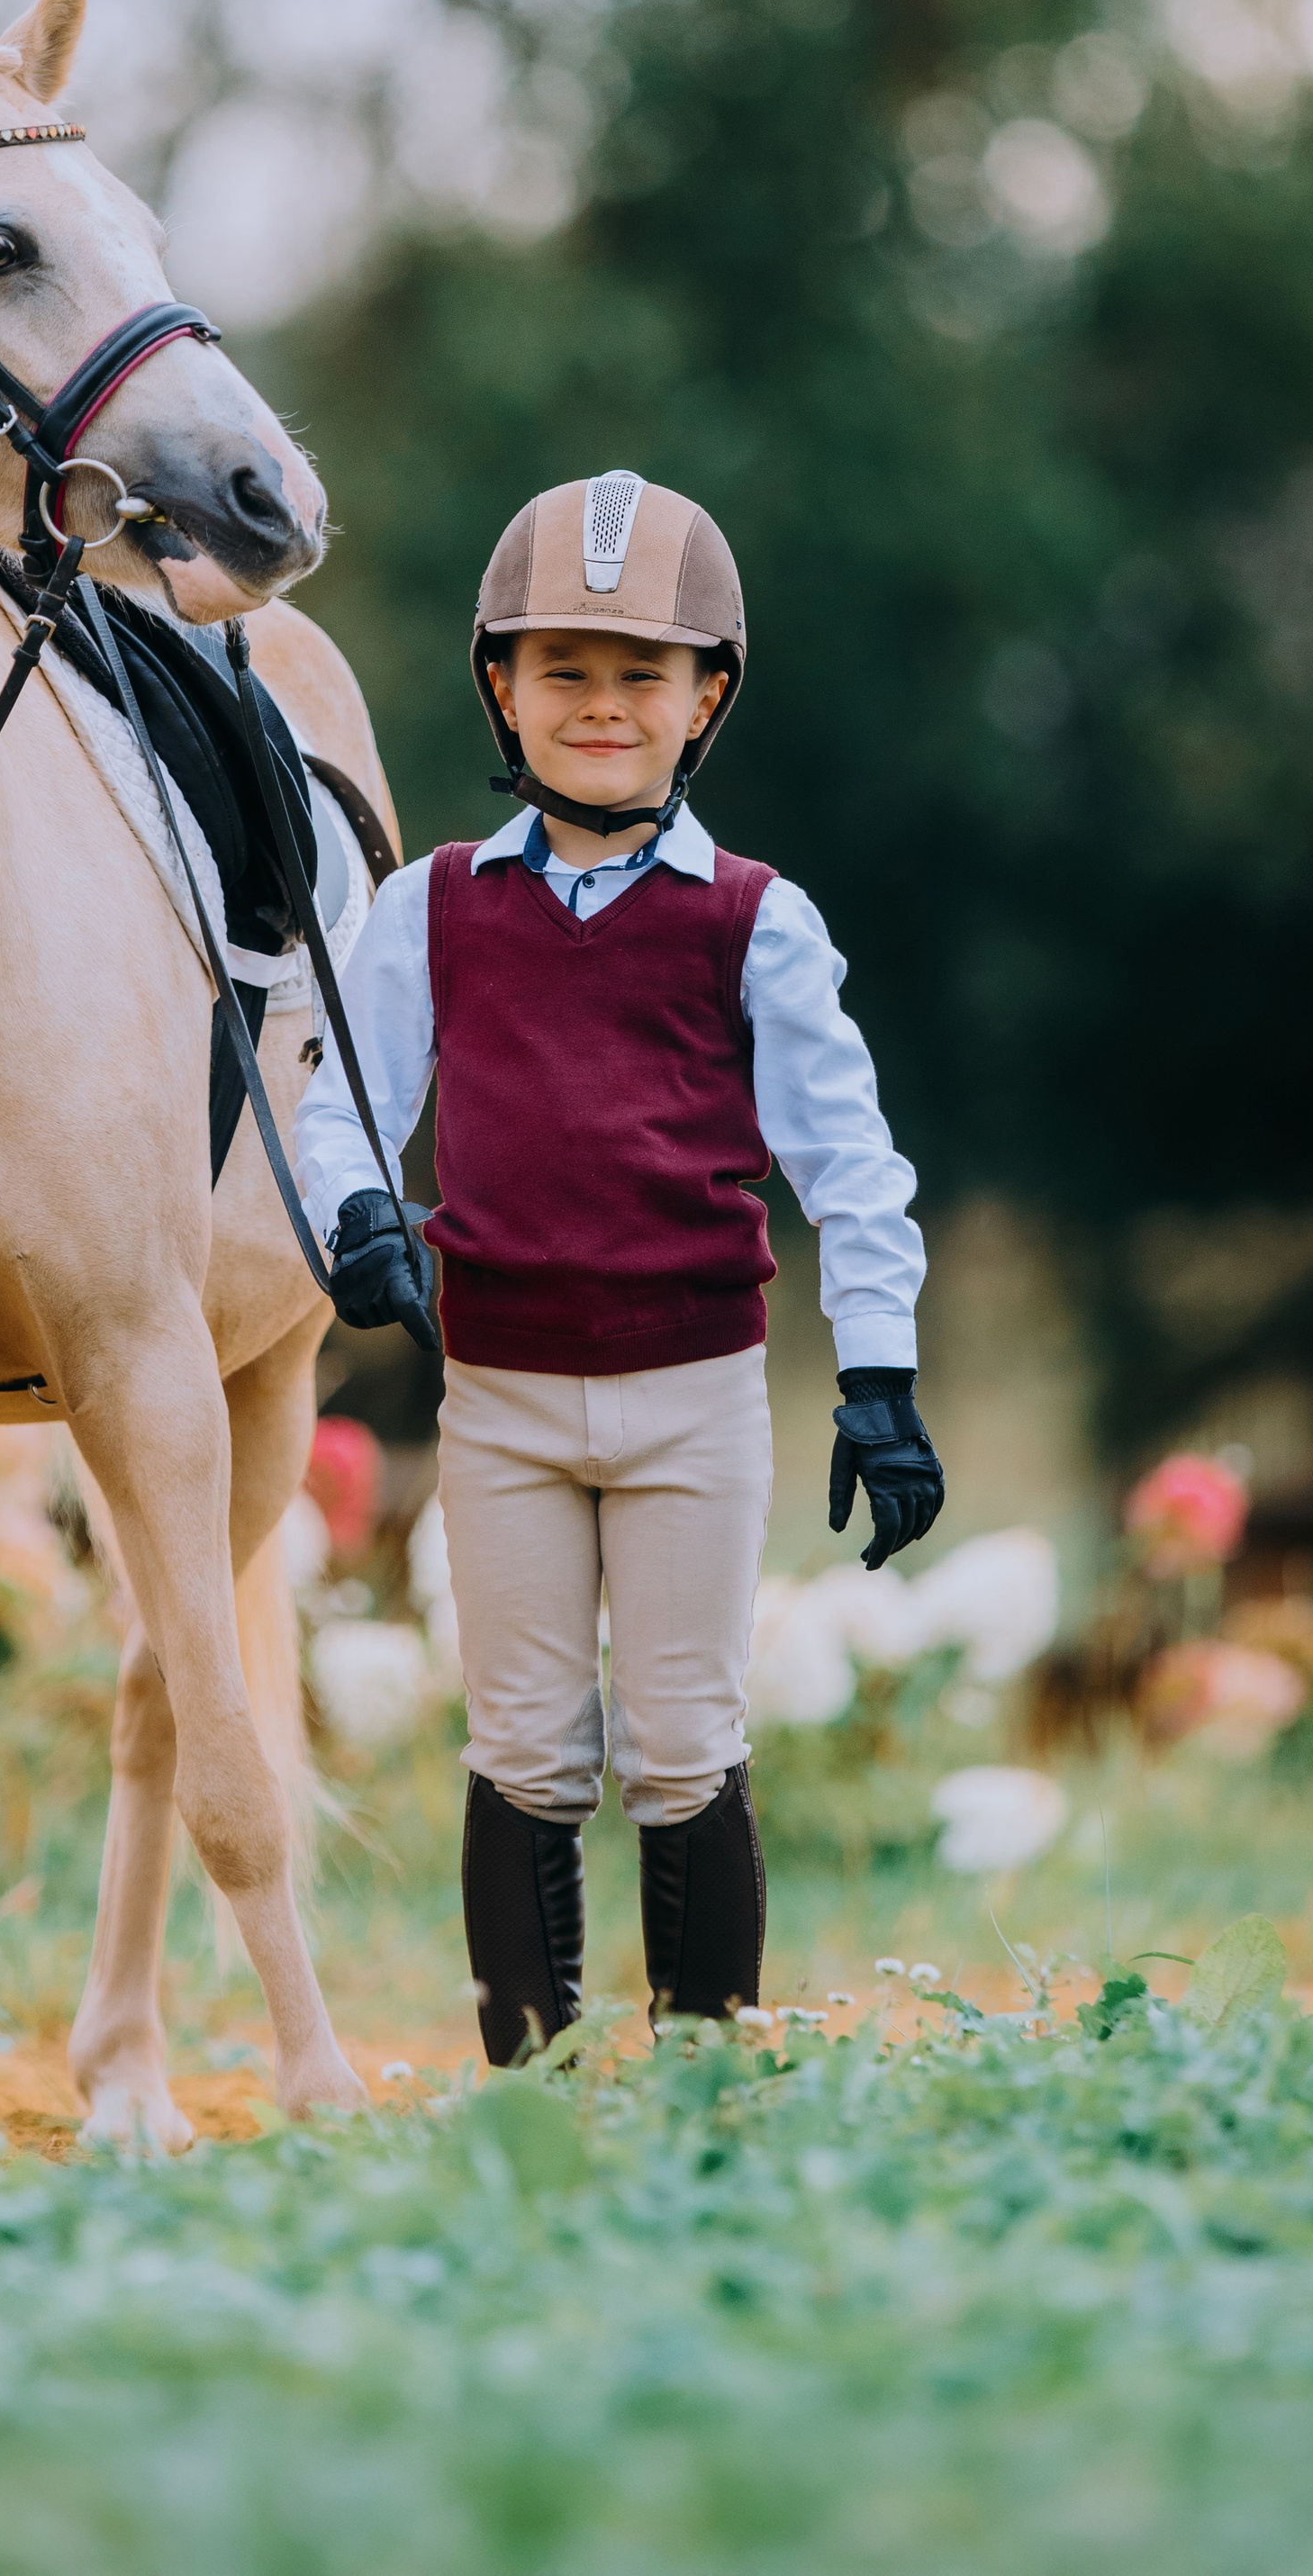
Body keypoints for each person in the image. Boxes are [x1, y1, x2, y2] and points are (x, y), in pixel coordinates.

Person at [294, 472, 943, 2065]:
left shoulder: (754, 922)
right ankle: (535, 2084)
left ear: (705, 696)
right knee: (521, 1744)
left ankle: (705, 2089)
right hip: (501, 1395)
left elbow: (847, 1163)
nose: (600, 707)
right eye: (561, 672)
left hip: (694, 1396)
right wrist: (360, 1212)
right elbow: (342, 1107)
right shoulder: (426, 907)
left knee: (683, 1741)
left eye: (640, 674)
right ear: (498, 690)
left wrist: (881, 1378)